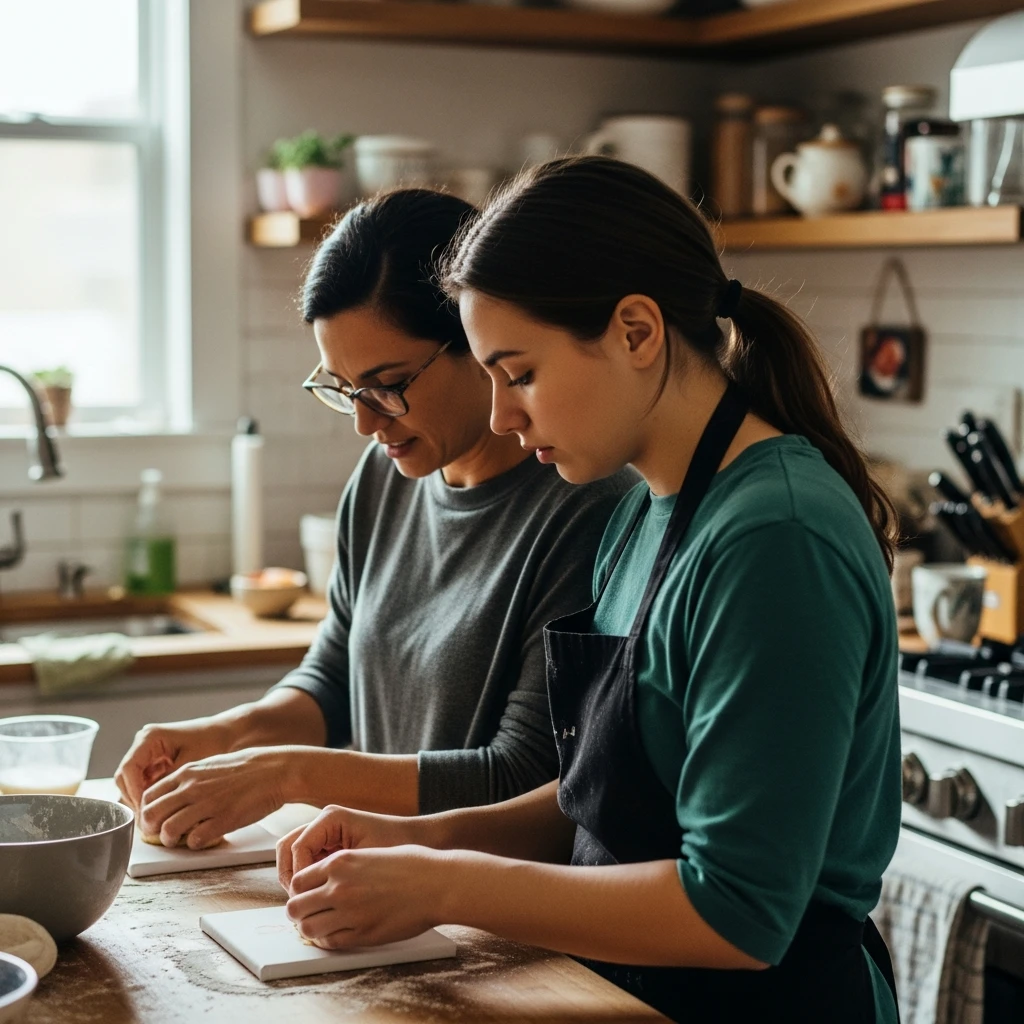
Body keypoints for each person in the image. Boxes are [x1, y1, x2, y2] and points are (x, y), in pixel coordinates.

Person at [274, 158, 903, 1023]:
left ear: (638, 331)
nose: (500, 416)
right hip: (625, 990)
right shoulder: (644, 512)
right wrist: (411, 842)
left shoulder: (776, 540)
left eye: (519, 372)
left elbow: (739, 911)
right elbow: (595, 807)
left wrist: (446, 882)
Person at [114, 188, 636, 848]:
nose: (365, 422)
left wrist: (286, 775)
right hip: (381, 889)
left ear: (480, 343)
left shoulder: (585, 507)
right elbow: (334, 679)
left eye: (388, 385)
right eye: (343, 388)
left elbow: (527, 777)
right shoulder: (387, 476)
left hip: (490, 911)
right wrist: (224, 737)